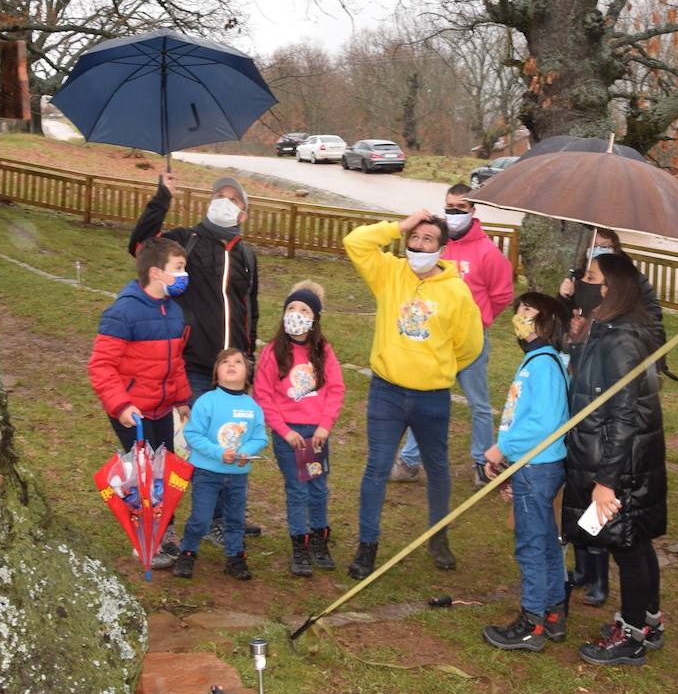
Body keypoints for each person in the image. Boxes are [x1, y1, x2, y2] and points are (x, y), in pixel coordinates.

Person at [343, 209, 484, 579]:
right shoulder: (389, 272)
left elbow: (469, 344)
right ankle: (367, 545)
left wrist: (439, 368)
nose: (419, 245)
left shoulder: (456, 291)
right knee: (377, 466)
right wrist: (399, 226)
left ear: (441, 248)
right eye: (415, 238)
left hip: (431, 397)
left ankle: (438, 537)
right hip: (386, 392)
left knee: (437, 469)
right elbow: (354, 242)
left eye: (428, 240)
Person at [129, 172, 263, 552]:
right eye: (218, 195)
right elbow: (140, 245)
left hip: (230, 373)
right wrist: (162, 199)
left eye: (233, 198)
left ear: (244, 214)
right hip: (188, 365)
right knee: (179, 446)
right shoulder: (185, 240)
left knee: (226, 443)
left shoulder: (247, 255)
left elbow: (248, 308)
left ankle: (218, 520)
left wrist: (247, 355)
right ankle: (165, 524)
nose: (225, 201)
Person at [561, 252, 668, 667]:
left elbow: (624, 414)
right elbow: (591, 389)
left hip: (622, 464)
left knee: (628, 547)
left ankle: (633, 634)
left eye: (591, 277)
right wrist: (577, 339)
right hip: (619, 459)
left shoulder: (623, 338)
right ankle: (649, 620)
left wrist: (607, 481)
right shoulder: (606, 328)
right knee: (635, 543)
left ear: (613, 288)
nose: (583, 282)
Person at [394, 183, 514, 486]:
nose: (454, 212)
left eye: (461, 207)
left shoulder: (487, 252)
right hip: (436, 340)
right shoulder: (438, 244)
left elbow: (502, 295)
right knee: (426, 399)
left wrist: (481, 321)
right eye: (450, 206)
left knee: (479, 404)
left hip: (471, 344)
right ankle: (409, 462)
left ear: (473, 210)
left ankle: (482, 463)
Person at [481, 293, 571, 652]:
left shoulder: (545, 364)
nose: (520, 316)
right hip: (532, 465)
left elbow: (544, 423)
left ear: (546, 321)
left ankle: (531, 622)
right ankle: (553, 612)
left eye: (528, 311)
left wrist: (502, 448)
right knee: (547, 541)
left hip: (537, 467)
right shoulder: (536, 361)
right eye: (518, 310)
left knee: (531, 546)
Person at [252, 281, 346, 577]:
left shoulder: (323, 351)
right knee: (297, 489)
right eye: (291, 308)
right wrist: (283, 430)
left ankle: (320, 538)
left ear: (314, 318)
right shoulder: (272, 352)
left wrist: (324, 427)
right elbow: (263, 395)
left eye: (303, 309)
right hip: (289, 436)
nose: (295, 314)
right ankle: (300, 544)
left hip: (315, 437)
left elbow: (336, 389)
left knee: (317, 487)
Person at [87, 237, 192, 453]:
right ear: (155, 273)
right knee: (145, 473)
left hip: (162, 410)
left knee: (164, 467)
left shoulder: (174, 311)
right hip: (133, 411)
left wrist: (181, 399)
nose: (184, 275)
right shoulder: (123, 312)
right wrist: (121, 406)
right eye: (178, 268)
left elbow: (176, 360)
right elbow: (101, 365)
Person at [172, 348, 267, 581]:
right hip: (207, 473)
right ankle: (188, 552)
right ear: (216, 372)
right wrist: (218, 452)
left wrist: (246, 452)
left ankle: (235, 557)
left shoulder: (252, 406)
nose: (232, 365)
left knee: (234, 519)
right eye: (225, 362)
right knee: (201, 517)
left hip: (237, 475)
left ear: (247, 373)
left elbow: (260, 438)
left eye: (238, 362)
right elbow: (193, 434)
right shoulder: (207, 401)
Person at [559, 227, 667, 352]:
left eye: (605, 246)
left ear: (616, 250)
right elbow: (561, 323)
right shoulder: (578, 278)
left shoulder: (632, 280)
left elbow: (652, 318)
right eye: (595, 245)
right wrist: (565, 298)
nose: (599, 250)